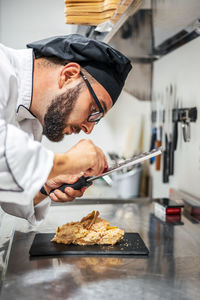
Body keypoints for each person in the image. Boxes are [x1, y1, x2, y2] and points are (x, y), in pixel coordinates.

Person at [0, 34, 132, 224]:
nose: (88, 129)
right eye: (94, 110)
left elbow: (7, 196)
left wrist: (46, 186)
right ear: (69, 75)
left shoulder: (32, 122)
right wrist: (69, 161)